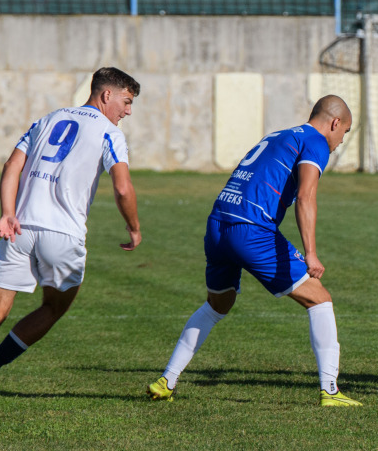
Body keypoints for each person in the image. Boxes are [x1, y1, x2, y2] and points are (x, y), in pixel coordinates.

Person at [146, 95, 362, 407]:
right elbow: (306, 196)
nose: (342, 140)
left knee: (219, 304)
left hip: (218, 224)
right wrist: (310, 253)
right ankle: (330, 391)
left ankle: (167, 379)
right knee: (320, 299)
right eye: (346, 132)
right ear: (334, 122)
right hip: (250, 229)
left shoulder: (280, 135)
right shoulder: (315, 141)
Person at [0, 67, 142, 390]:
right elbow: (123, 188)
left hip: (20, 229)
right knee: (53, 307)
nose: (127, 111)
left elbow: (13, 164)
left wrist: (8, 213)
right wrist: (134, 227)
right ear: (106, 95)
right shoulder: (110, 132)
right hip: (63, 235)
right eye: (126, 101)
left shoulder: (48, 119)